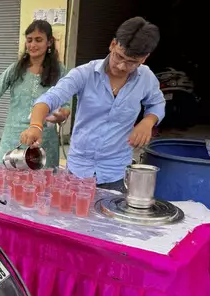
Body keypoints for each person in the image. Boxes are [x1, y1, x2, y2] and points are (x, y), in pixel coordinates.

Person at [20, 17, 165, 192]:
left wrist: (148, 121)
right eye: (119, 56)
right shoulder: (85, 73)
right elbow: (50, 98)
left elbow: (157, 103)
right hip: (79, 171)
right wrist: (35, 125)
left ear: (144, 59)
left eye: (131, 62)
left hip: (116, 172)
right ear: (112, 45)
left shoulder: (146, 78)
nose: (121, 65)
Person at [0, 20, 69, 167]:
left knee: (41, 186)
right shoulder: (16, 69)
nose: (33, 45)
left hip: (43, 142)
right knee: (7, 185)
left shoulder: (60, 71)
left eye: (38, 40)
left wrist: (62, 115)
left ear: (49, 42)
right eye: (29, 40)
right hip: (13, 139)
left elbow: (66, 104)